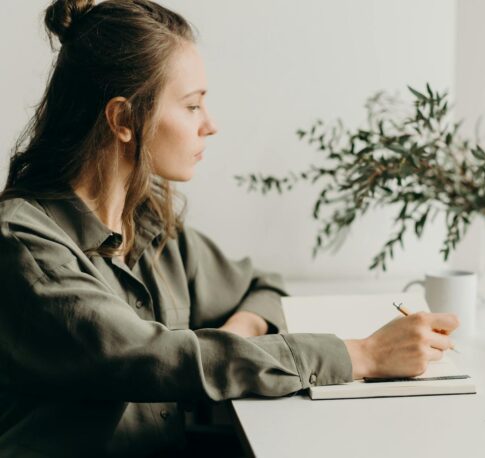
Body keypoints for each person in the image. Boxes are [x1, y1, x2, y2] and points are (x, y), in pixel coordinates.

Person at [0, 1, 459, 456]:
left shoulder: (150, 226)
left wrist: (238, 332)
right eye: (192, 106)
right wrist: (364, 356)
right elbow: (153, 358)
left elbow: (262, 287)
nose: (211, 125)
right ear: (123, 120)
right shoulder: (23, 246)